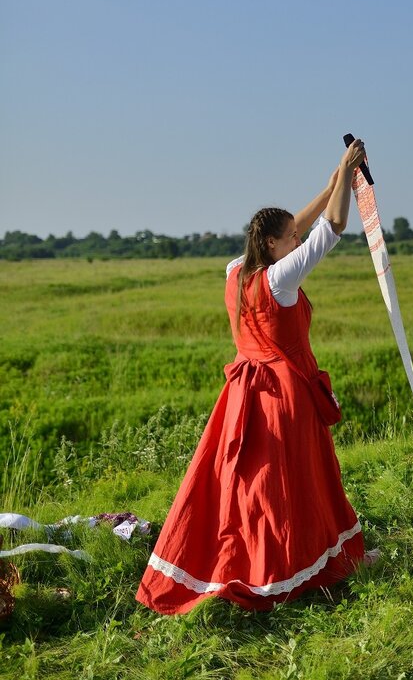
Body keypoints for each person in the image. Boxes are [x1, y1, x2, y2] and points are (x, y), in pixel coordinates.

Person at [137, 141, 369, 614]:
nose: (298, 242)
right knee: (294, 479)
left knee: (248, 481)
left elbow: (298, 224)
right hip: (284, 394)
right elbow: (333, 227)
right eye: (291, 239)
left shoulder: (234, 271)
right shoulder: (281, 279)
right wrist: (345, 174)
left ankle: (258, 555)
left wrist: (334, 182)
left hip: (243, 393)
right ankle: (287, 565)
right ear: (272, 245)